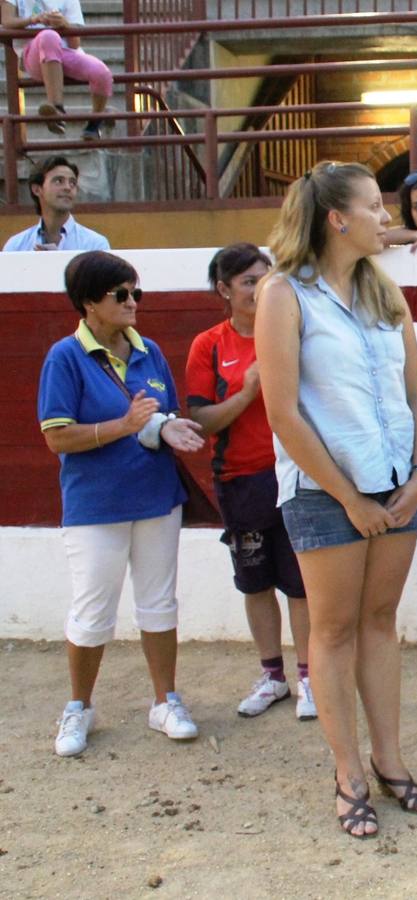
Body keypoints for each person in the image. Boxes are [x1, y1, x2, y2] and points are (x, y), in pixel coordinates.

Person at [254, 161, 417, 839]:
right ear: (338, 219)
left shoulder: (382, 292)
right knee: (331, 630)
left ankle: (389, 762)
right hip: (328, 490)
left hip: (396, 485)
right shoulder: (283, 294)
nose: (386, 218)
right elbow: (283, 414)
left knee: (381, 621)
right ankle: (347, 774)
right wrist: (348, 496)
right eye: (375, 207)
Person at [38, 250, 207, 758]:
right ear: (89, 303)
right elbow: (57, 438)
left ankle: (166, 700)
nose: (133, 302)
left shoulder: (149, 350)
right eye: (121, 295)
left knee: (159, 603)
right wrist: (125, 426)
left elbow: (158, 413)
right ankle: (79, 707)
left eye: (137, 293)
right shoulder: (64, 357)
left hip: (155, 497)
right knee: (93, 611)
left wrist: (167, 427)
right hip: (96, 504)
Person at [185, 243, 315, 721]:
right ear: (223, 289)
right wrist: (248, 391)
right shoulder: (210, 345)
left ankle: (308, 677)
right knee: (255, 582)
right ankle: (273, 676)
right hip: (241, 480)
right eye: (247, 281)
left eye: (265, 278)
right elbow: (203, 421)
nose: (259, 289)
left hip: (297, 473)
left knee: (302, 585)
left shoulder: (288, 330)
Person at [1, 0, 113, 139]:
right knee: (48, 36)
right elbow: (6, 21)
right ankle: (56, 107)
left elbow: (74, 43)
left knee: (102, 72)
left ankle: (95, 123)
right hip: (32, 53)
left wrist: (64, 24)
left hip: (65, 52)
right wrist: (34, 19)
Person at [4, 156, 109, 252]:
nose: (68, 187)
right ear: (37, 189)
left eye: (72, 183)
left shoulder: (95, 245)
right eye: (59, 181)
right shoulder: (16, 246)